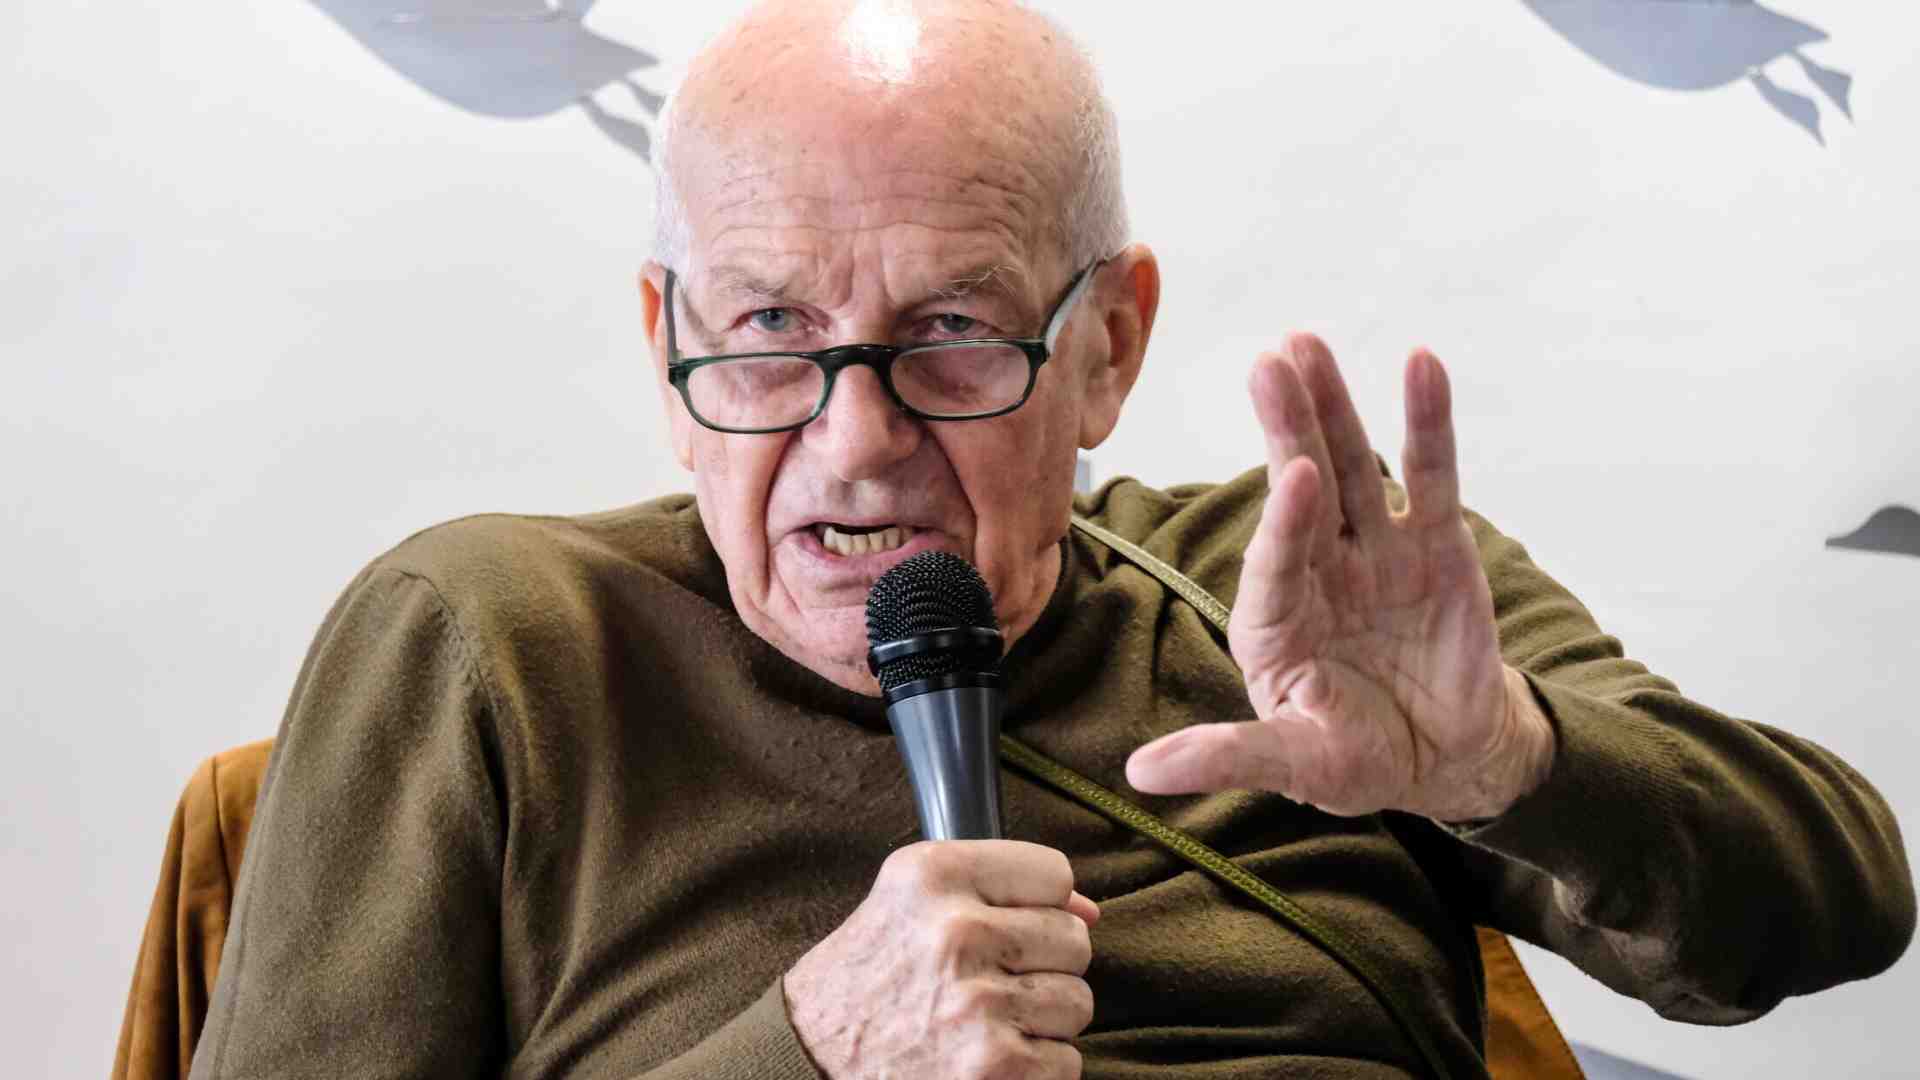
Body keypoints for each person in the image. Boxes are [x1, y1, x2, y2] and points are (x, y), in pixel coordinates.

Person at [188, 2, 1914, 1077]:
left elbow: (1831, 908)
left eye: (951, 333)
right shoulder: (495, 642)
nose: (857, 445)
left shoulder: (1309, 589)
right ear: (666, 343)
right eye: (773, 333)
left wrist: (1507, 763)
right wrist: (810, 1056)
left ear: (1109, 347)